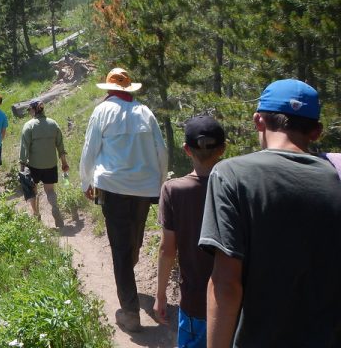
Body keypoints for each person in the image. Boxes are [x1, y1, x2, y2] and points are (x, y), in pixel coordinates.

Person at [200, 79, 341, 347]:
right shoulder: (336, 175)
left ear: (258, 121)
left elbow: (226, 285)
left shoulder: (231, 175)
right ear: (316, 131)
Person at [79, 67, 168, 332]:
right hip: (143, 188)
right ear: (128, 89)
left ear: (109, 89)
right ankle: (128, 284)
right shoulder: (145, 112)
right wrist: (161, 183)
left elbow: (89, 149)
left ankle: (130, 311)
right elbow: (161, 150)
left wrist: (87, 181)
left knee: (120, 248)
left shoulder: (102, 111)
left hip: (113, 187)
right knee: (133, 240)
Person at [154, 115, 225, 348]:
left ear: (186, 149)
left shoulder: (174, 190)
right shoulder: (238, 187)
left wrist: (161, 295)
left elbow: (167, 250)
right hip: (233, 302)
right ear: (222, 149)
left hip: (195, 302)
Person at [19, 99, 69, 228]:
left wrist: (22, 166)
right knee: (50, 190)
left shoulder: (29, 126)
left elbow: (24, 148)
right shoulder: (53, 124)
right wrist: (64, 163)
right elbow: (60, 145)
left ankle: (36, 215)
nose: (29, 111)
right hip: (50, 164)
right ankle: (55, 208)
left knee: (33, 189)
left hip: (34, 165)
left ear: (34, 110)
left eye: (29, 109)